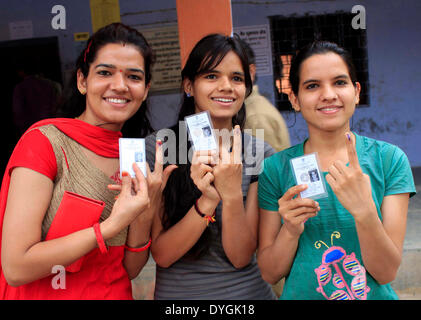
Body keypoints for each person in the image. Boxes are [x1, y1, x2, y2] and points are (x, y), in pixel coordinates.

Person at [0, 23, 172, 300]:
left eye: (134, 77)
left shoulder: (135, 156)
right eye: (105, 72)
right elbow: (16, 267)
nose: (120, 85)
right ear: (82, 80)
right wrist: (111, 226)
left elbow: (129, 269)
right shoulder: (46, 143)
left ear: (146, 88)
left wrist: (144, 211)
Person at [257, 41, 416, 300]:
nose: (328, 94)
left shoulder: (389, 160)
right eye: (312, 86)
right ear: (295, 99)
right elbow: (269, 273)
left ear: (356, 92)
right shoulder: (275, 169)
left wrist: (365, 212)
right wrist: (290, 230)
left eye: (340, 83)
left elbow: (386, 272)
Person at [145, 34, 276, 300]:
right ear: (189, 85)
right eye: (211, 76)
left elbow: (241, 257)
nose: (226, 86)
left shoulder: (259, 153)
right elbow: (163, 255)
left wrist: (230, 196)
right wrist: (207, 200)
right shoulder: (159, 149)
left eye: (237, 78)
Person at [241, 39, 290, 152]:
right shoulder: (248, 110)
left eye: (235, 76)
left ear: (251, 72)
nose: (224, 85)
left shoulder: (255, 117)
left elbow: (264, 167)